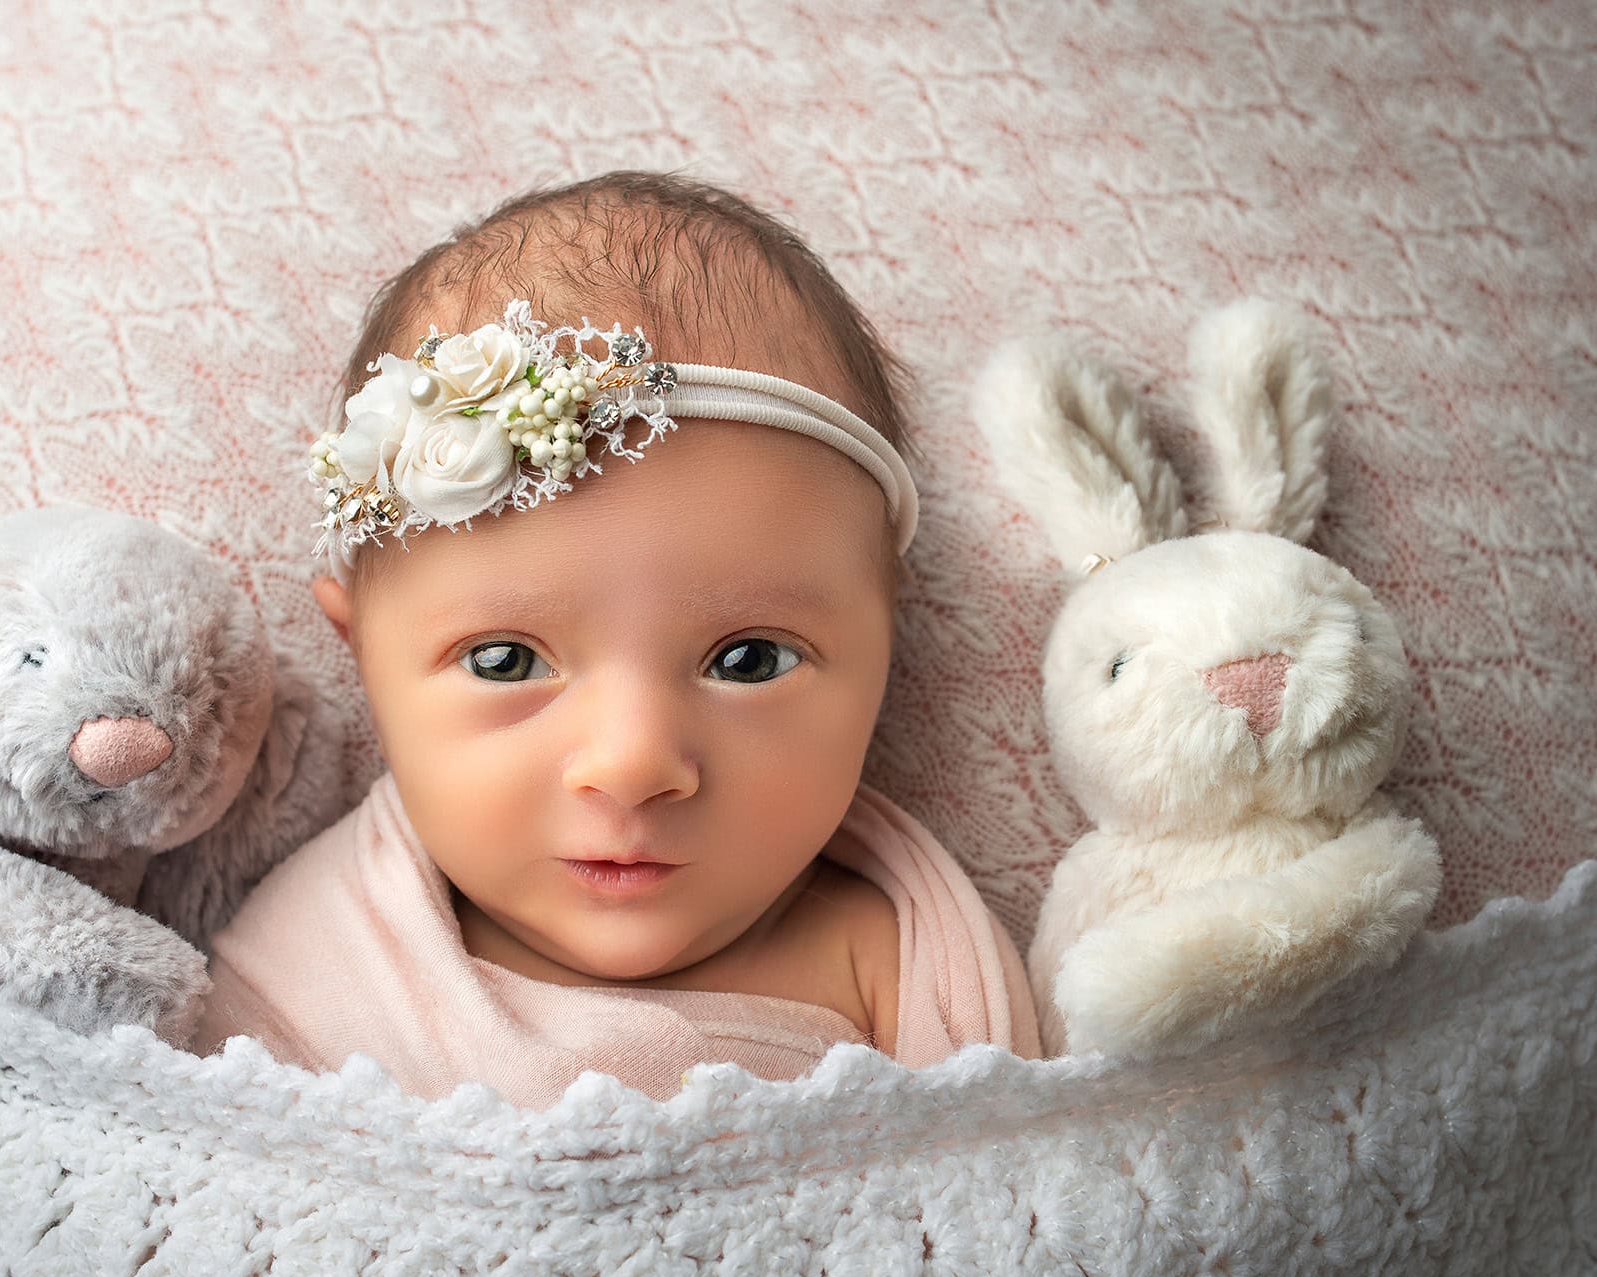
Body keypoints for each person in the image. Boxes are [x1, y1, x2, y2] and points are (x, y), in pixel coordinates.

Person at [191, 171, 1040, 1107]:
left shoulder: (901, 961)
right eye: (502, 659)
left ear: (887, 644)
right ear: (363, 659)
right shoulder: (306, 971)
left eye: (748, 659)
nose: (632, 763)